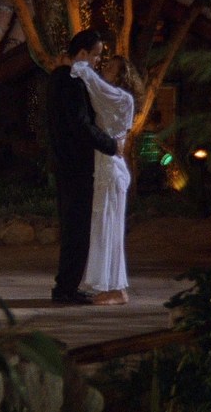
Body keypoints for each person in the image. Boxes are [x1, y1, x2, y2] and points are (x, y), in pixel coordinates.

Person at [46, 30, 120, 304]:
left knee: (73, 226)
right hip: (75, 164)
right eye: (96, 55)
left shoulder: (57, 79)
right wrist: (110, 145)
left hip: (64, 162)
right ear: (82, 54)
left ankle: (67, 285)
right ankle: (66, 288)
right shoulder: (71, 82)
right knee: (77, 228)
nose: (98, 61)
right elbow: (81, 125)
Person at [70, 55, 144, 305]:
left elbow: (96, 87)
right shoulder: (114, 98)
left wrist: (80, 65)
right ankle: (112, 287)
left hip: (111, 170)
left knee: (109, 230)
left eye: (110, 68)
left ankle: (115, 288)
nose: (104, 70)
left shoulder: (122, 98)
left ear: (122, 76)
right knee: (105, 229)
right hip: (106, 168)